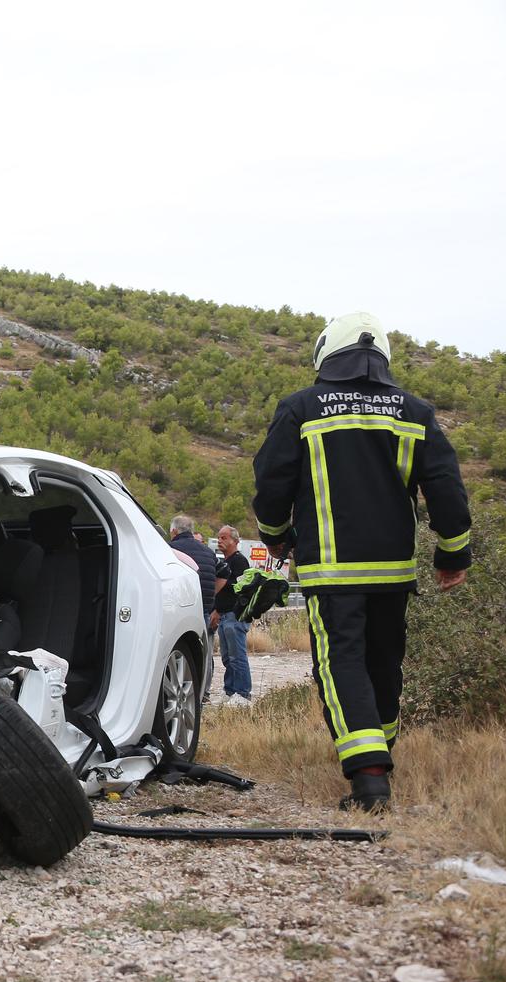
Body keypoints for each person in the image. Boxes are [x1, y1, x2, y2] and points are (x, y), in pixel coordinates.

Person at [252, 311, 471, 812]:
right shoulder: (413, 412)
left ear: (327, 353)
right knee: (383, 664)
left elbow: (271, 483)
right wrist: (453, 552)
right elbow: (446, 485)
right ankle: (379, 754)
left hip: (332, 571)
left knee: (340, 663)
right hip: (393, 572)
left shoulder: (302, 408)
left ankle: (371, 780)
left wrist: (276, 535)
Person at [210, 525, 253, 707]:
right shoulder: (224, 563)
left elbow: (241, 589)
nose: (220, 540)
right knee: (227, 657)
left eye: (224, 537)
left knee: (237, 656)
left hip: (235, 615)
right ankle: (230, 691)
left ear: (235, 541)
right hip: (224, 616)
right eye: (219, 537)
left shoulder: (240, 561)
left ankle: (243, 694)